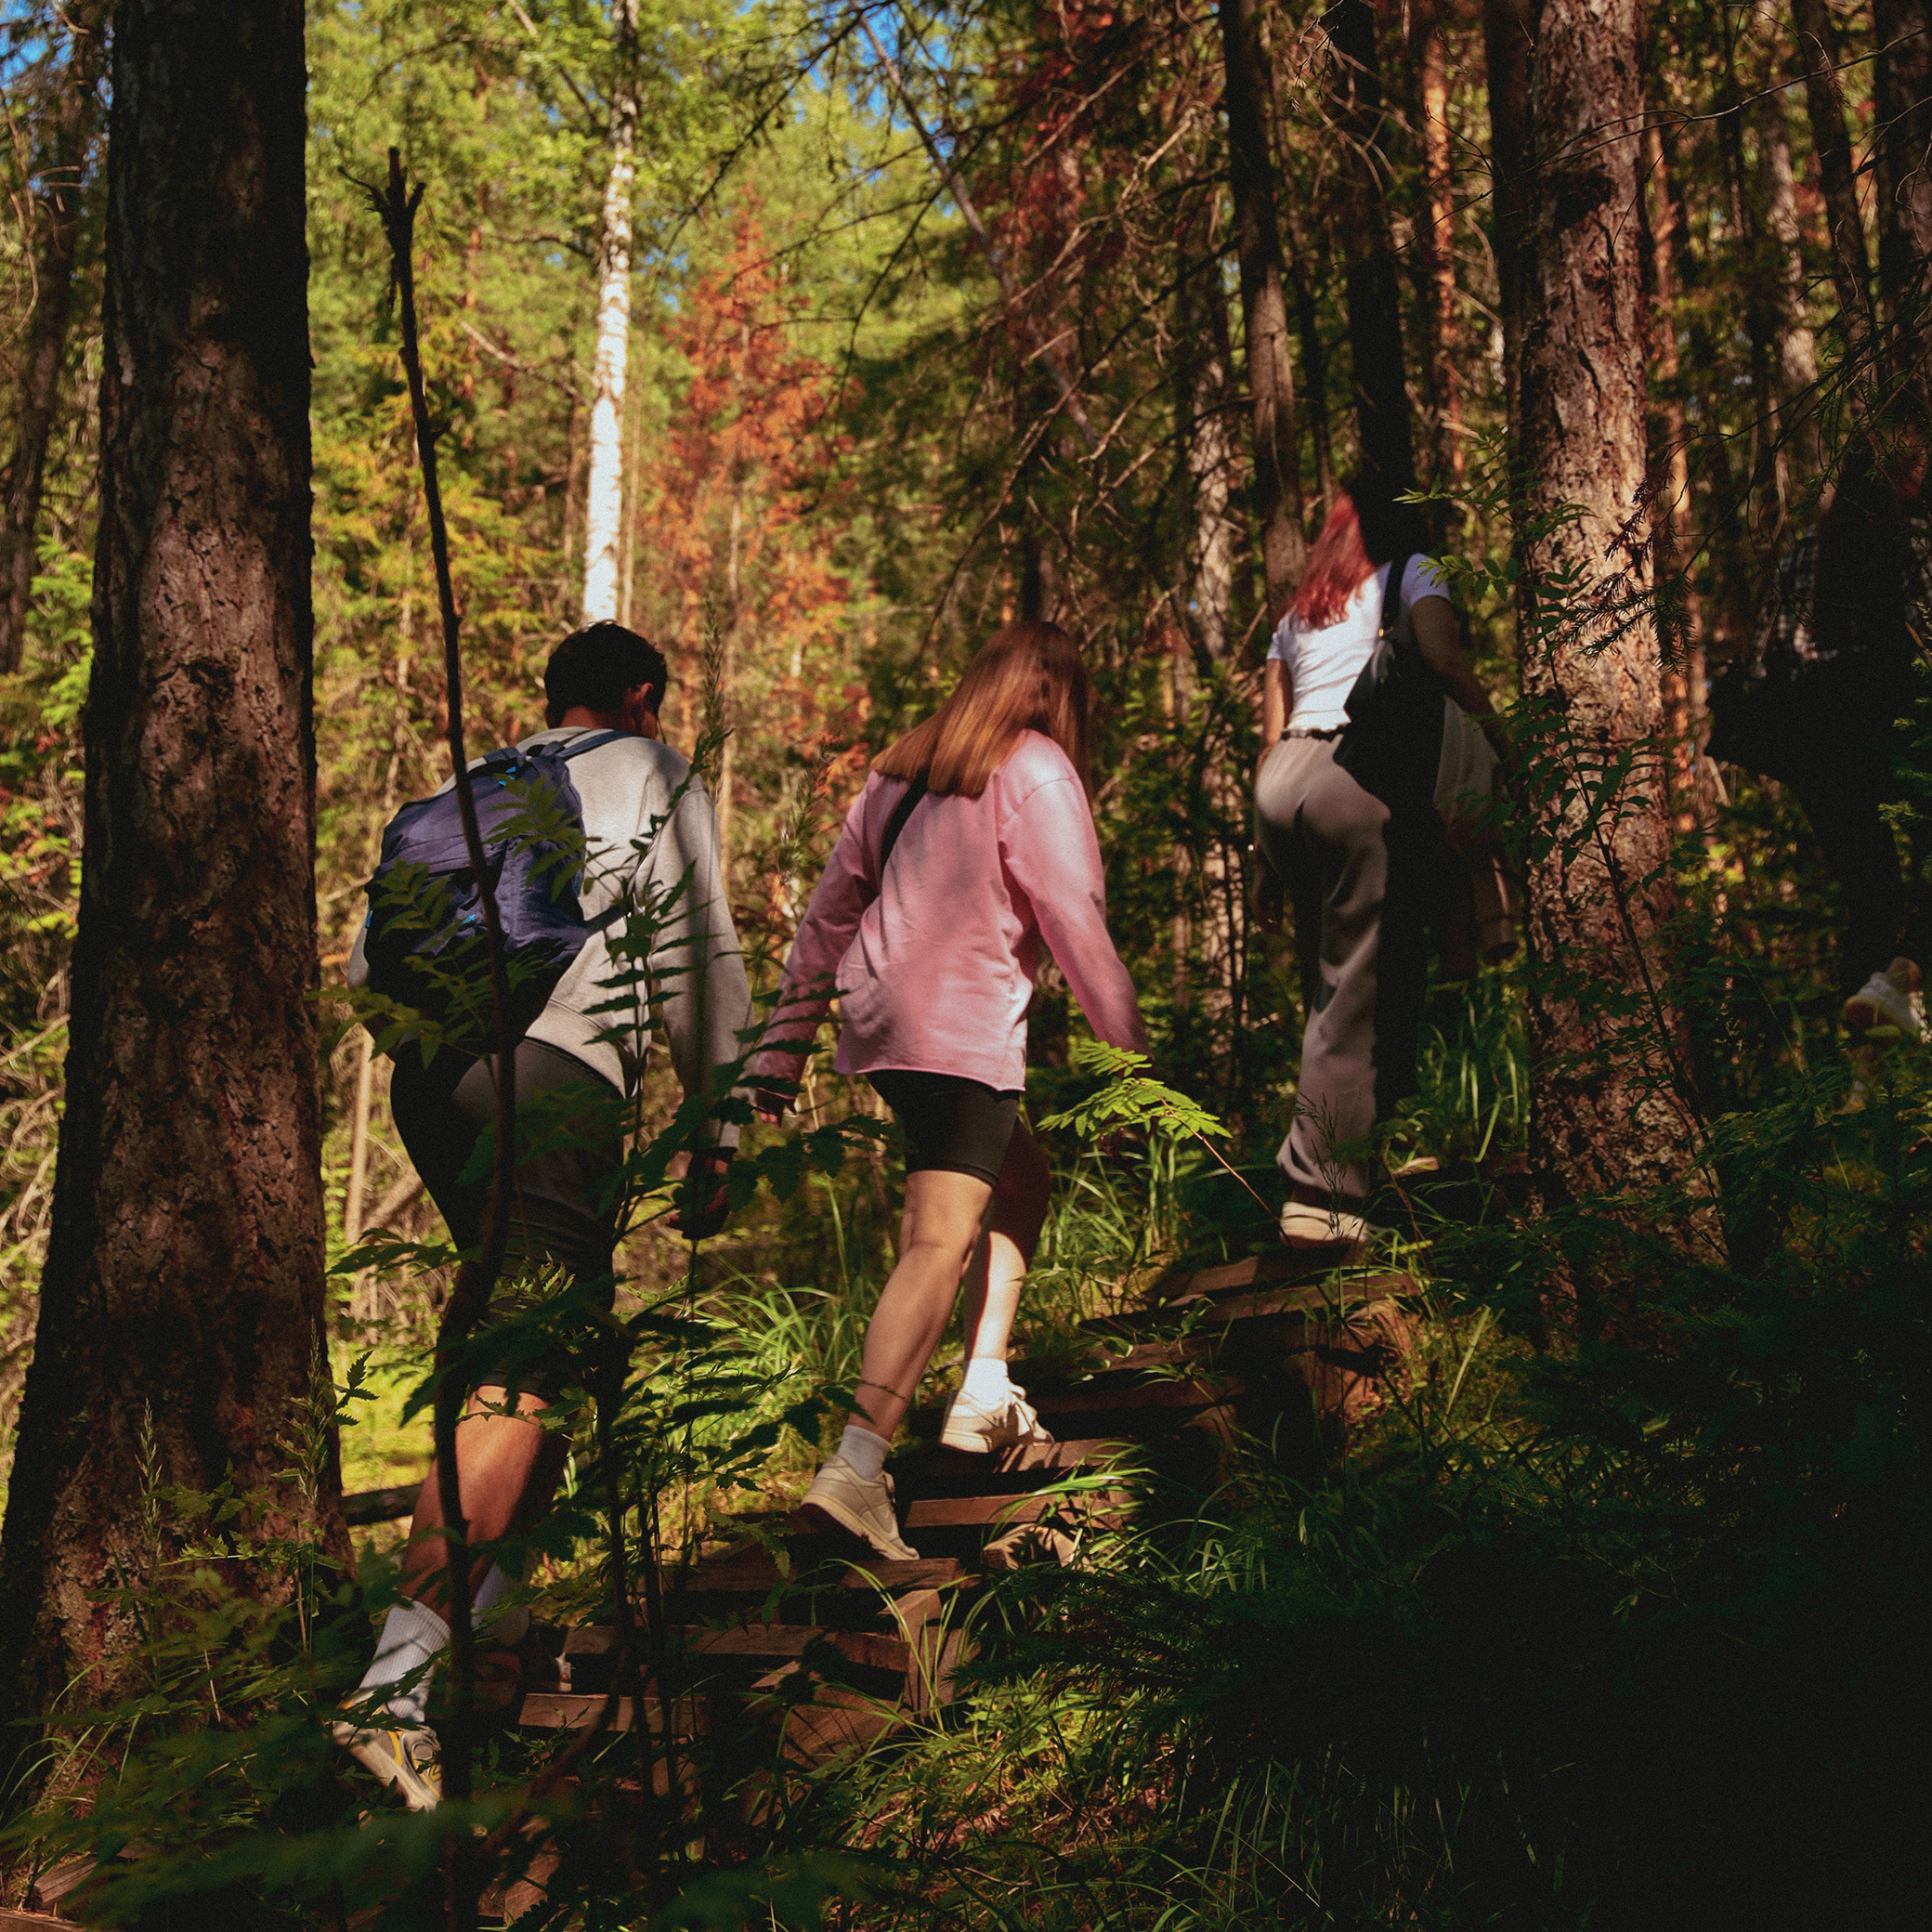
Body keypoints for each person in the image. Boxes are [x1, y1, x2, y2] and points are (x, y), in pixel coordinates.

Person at [333, 620, 752, 1809]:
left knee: (528, 1341)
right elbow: (700, 952)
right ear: (640, 698)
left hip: (435, 1081)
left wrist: (440, 1057)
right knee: (520, 1365)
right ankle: (397, 1685)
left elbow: (368, 964)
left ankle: (492, 1625)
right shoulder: (651, 775)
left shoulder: (468, 785)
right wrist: (714, 1128)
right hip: (555, 1075)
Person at [749, 620, 1149, 1561]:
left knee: (1019, 1181)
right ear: (1055, 696)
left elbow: (825, 919)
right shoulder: (1037, 770)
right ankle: (856, 1466)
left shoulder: (898, 777)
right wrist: (1128, 1053)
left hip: (885, 1023)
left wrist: (782, 1049)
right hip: (958, 1026)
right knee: (938, 1238)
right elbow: (1071, 916)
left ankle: (981, 1384)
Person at [1254, 475, 1496, 1246]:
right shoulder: (1416, 572)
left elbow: (1274, 726)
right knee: (1355, 986)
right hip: (1352, 779)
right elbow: (1444, 662)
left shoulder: (1298, 612)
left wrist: (1263, 856)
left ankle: (1360, 1158)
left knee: (1373, 972)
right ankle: (1320, 1197)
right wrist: (1508, 742)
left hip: (1284, 784)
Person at [1746, 425, 1929, 1040]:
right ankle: (1904, 976)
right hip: (1890, 724)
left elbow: (1773, 655)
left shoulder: (1809, 548)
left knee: (1871, 898)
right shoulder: (1911, 541)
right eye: (1920, 465)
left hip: (1815, 737)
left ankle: (1861, 1090)